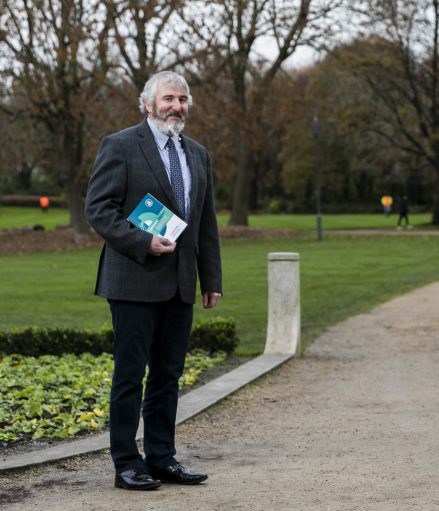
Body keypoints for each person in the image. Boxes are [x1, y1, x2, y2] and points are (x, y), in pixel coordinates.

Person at [85, 71, 222, 491]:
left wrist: (210, 279)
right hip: (133, 281)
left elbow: (206, 225)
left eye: (182, 99)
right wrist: (144, 241)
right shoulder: (121, 145)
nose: (176, 106)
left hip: (180, 283)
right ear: (148, 104)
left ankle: (162, 458)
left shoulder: (197, 154)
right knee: (130, 374)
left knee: (168, 375)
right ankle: (127, 462)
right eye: (168, 98)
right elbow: (99, 208)